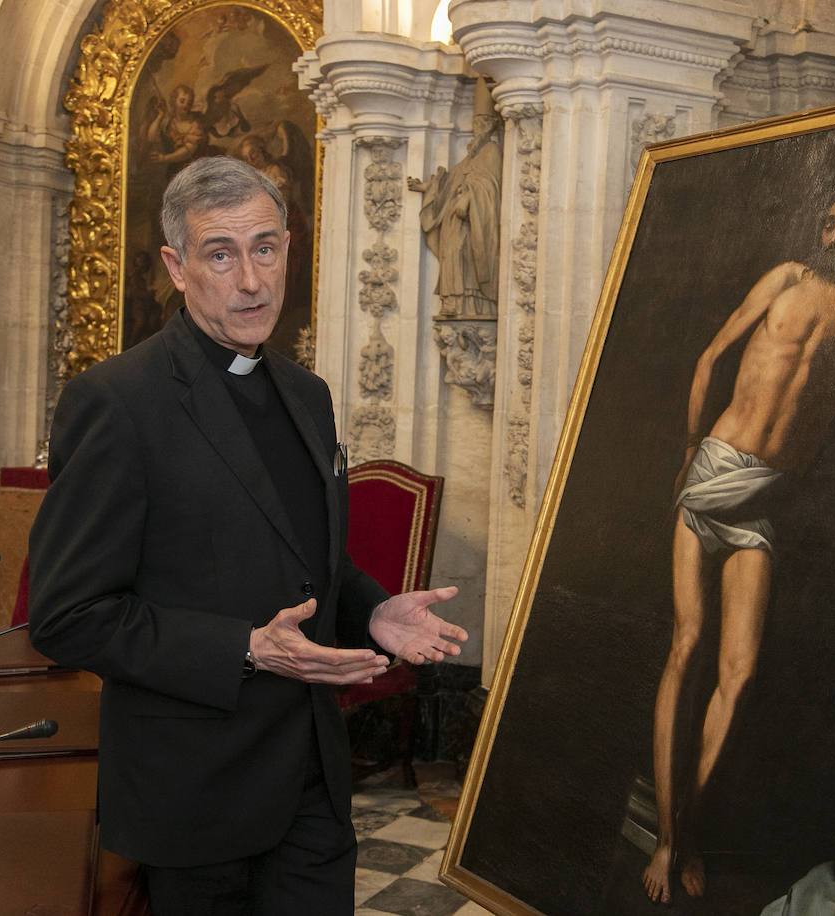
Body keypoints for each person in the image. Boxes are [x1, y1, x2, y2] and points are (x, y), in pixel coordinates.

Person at [29, 155, 468, 915]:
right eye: (221, 254)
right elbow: (68, 617)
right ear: (176, 266)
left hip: (313, 784)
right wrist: (245, 647)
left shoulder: (307, 394)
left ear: (289, 249)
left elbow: (305, 557)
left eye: (265, 248)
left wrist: (369, 608)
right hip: (195, 796)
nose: (252, 281)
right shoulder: (116, 402)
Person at [643, 192, 835, 905]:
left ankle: (688, 828)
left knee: (740, 674)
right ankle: (663, 837)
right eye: (830, 222)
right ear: (819, 228)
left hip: (767, 493)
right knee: (686, 645)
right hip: (717, 469)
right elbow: (712, 354)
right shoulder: (785, 279)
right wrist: (688, 450)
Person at [407, 90, 502, 319]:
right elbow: (450, 180)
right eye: (475, 123)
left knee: (465, 256)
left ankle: (474, 304)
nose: (476, 128)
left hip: (472, 220)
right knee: (451, 255)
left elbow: (491, 185)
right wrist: (427, 187)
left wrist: (470, 196)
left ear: (490, 125)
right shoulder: (471, 156)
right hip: (453, 221)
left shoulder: (491, 151)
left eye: (480, 123)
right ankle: (452, 301)